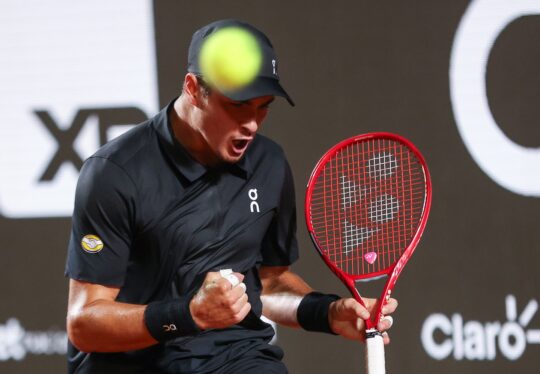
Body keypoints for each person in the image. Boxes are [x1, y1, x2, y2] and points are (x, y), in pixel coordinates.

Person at [64, 19, 397, 373]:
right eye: (238, 105)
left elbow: (266, 285)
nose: (252, 124)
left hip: (238, 360)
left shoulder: (269, 163)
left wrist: (327, 313)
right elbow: (85, 322)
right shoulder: (115, 173)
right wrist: (190, 314)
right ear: (193, 88)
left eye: (263, 106)